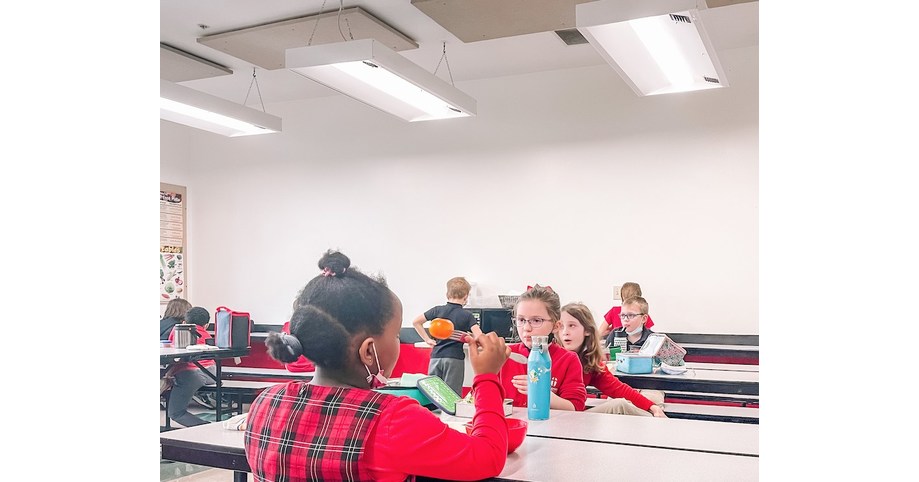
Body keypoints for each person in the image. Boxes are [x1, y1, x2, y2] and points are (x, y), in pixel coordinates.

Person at [244, 250, 512, 482]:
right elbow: (488, 456)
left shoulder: (265, 402)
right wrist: (487, 376)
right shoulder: (393, 419)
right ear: (369, 351)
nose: (398, 340)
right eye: (396, 334)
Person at [557, 302, 666, 417]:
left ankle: (660, 426)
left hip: (571, 419)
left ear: (587, 330)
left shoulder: (589, 362)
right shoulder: (548, 357)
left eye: (572, 326)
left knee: (620, 404)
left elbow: (619, 389)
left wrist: (652, 407)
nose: (565, 332)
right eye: (561, 326)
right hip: (552, 417)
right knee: (619, 406)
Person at [499, 285, 587, 411]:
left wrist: (540, 391)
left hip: (551, 429)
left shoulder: (568, 360)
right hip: (511, 428)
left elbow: (575, 408)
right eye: (521, 320)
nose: (526, 328)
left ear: (556, 326)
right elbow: (479, 400)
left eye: (536, 320)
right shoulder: (504, 355)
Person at [411, 276, 483, 395]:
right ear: (466, 297)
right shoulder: (467, 315)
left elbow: (416, 322)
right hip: (454, 359)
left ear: (447, 294)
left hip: (436, 357)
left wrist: (427, 339)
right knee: (452, 396)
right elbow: (479, 336)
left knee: (432, 394)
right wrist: (470, 337)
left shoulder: (437, 310)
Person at [164, 306, 216, 427]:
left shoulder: (178, 331)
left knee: (176, 413)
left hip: (190, 375)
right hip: (212, 373)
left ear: (184, 322)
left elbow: (175, 356)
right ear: (207, 325)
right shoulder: (206, 334)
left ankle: (205, 427)